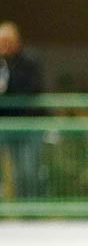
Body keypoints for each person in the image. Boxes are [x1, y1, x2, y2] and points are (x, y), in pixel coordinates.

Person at [0, 21, 46, 202]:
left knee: (27, 171)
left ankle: (30, 210)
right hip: (3, 123)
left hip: (27, 123)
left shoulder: (29, 60)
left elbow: (32, 88)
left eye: (6, 41)